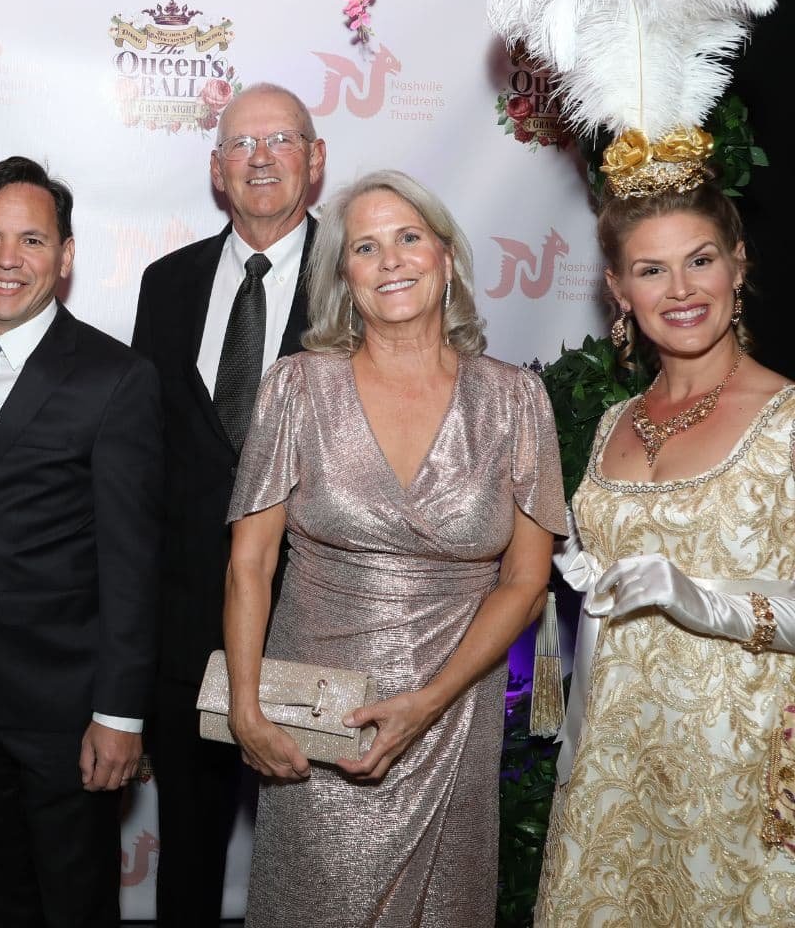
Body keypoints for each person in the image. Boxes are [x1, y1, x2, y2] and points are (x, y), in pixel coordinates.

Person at [223, 170, 565, 927]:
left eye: (409, 238)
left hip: (454, 717)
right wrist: (246, 706)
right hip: (317, 722)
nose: (391, 261)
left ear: (447, 257)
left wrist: (428, 703)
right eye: (365, 247)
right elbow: (251, 561)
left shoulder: (516, 399)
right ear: (343, 276)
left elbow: (525, 579)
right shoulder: (296, 388)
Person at [533, 181, 795, 925]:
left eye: (700, 260)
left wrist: (704, 601)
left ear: (738, 266)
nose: (681, 290)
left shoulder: (788, 419)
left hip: (740, 773)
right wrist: (577, 565)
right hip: (614, 768)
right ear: (619, 290)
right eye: (651, 270)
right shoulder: (613, 421)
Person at [0, 156, 163, 927]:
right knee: (1, 903)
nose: (7, 258)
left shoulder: (114, 377)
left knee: (75, 907)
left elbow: (133, 564)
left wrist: (120, 714)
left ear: (65, 256)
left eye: (32, 240)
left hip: (64, 711)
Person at [131, 82, 325, 928]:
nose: (261, 158)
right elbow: (145, 463)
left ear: (316, 160)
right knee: (188, 863)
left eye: (282, 139)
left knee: (322, 862)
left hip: (318, 624)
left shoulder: (362, 277)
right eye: (242, 144)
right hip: (186, 633)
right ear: (217, 170)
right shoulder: (166, 284)